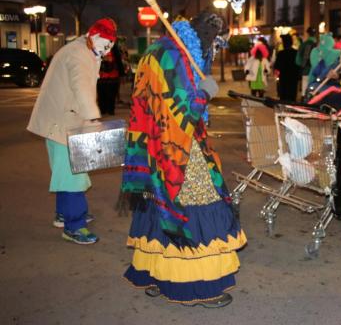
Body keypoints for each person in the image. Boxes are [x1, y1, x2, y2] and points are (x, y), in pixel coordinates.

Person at [121, 17, 247, 307]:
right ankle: (194, 287)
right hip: (177, 148)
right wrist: (205, 92)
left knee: (160, 207)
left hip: (153, 147)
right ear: (206, 36)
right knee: (195, 205)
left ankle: (158, 275)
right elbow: (184, 109)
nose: (214, 51)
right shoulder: (175, 55)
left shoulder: (159, 49)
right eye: (216, 44)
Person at [27, 18, 117, 245]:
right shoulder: (79, 56)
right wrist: (94, 120)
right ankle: (74, 225)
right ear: (94, 37)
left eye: (109, 47)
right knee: (72, 177)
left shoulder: (82, 49)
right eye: (104, 45)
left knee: (66, 172)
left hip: (62, 120)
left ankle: (62, 214)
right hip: (63, 122)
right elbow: (82, 89)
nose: (105, 51)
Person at [97, 42, 123, 115]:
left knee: (110, 95)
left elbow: (117, 61)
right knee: (102, 95)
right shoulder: (99, 48)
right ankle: (104, 110)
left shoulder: (114, 48)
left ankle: (109, 110)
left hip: (111, 77)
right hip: (102, 77)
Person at [273, 34, 300, 101]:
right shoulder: (296, 53)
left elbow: (277, 66)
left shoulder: (281, 53)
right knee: (292, 96)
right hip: (293, 78)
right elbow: (299, 65)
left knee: (283, 97)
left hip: (283, 78)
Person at [295, 27, 318, 95]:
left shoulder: (303, 44)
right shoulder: (319, 44)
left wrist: (301, 65)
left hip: (306, 69)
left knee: (305, 87)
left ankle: (304, 100)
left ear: (307, 34)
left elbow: (298, 60)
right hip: (316, 71)